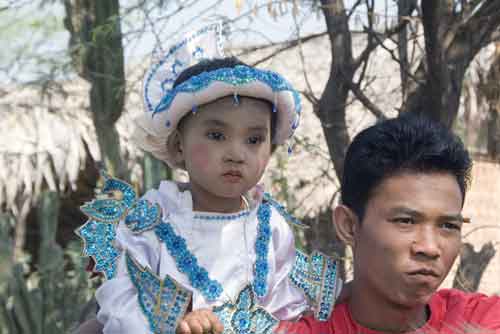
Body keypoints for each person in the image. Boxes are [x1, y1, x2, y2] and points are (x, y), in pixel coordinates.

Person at [75, 24, 340, 334]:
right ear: (178, 147)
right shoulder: (150, 221)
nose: (236, 154)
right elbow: (122, 301)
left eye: (254, 139)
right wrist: (173, 324)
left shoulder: (272, 225)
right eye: (217, 135)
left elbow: (286, 308)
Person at [276, 113, 500, 333]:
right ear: (348, 226)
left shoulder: (484, 319)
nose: (430, 248)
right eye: (406, 221)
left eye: (448, 226)